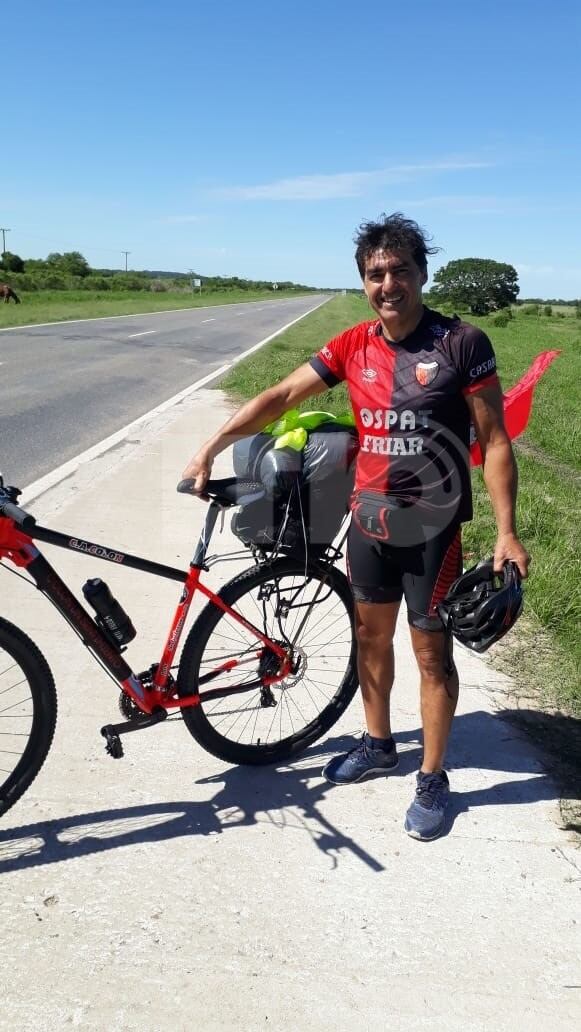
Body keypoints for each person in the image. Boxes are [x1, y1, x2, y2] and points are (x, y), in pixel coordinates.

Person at [181, 213, 530, 841]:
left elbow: (496, 439)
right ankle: (378, 745)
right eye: (376, 273)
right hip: (368, 522)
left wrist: (507, 531)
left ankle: (432, 777)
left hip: (434, 529)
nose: (388, 283)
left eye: (400, 270)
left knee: (431, 655)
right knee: (370, 641)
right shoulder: (351, 345)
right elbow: (282, 395)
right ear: (364, 282)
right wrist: (211, 446)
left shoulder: (462, 343)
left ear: (422, 274)